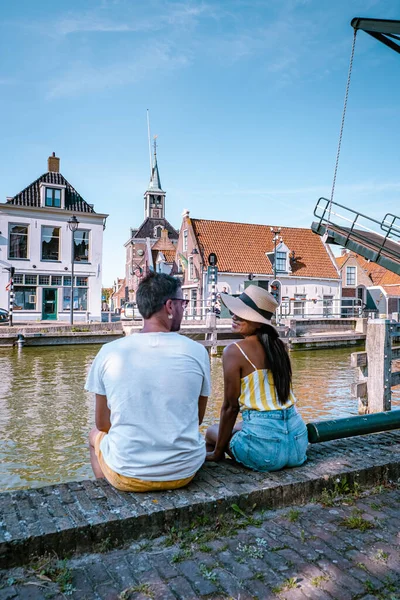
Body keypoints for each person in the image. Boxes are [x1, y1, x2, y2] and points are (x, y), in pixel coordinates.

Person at [86, 272, 211, 492]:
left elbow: (102, 424)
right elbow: (196, 418)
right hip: (184, 472)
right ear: (170, 306)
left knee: (93, 436)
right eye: (183, 303)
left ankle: (105, 494)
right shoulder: (197, 352)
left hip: (127, 476)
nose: (185, 309)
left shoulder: (108, 353)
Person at [205, 285, 308, 472]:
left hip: (266, 453)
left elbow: (230, 407)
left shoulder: (234, 352)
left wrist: (218, 452)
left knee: (212, 431)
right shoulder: (279, 348)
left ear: (258, 322)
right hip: (297, 445)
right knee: (240, 425)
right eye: (235, 311)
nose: (234, 316)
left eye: (242, 314)